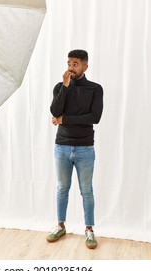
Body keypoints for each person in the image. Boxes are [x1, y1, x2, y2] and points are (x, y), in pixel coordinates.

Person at [48, 49, 103, 249]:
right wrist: (65, 86)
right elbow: (55, 111)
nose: (71, 67)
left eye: (75, 64)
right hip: (61, 146)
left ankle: (89, 229)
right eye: (69, 63)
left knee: (86, 191)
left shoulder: (95, 89)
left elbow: (94, 117)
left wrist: (64, 120)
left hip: (85, 148)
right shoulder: (60, 87)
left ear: (85, 66)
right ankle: (60, 225)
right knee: (62, 189)